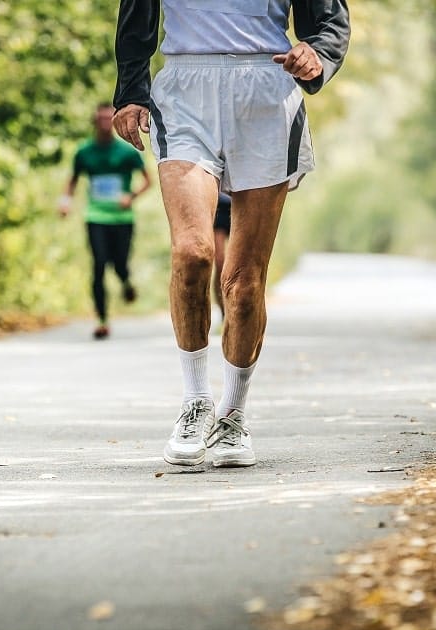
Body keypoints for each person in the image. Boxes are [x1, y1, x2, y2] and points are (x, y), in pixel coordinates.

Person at [113, 1, 350, 467]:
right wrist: (130, 92)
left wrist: (317, 52)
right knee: (193, 253)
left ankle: (233, 416)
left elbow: (329, 21)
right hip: (186, 88)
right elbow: (136, 15)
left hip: (267, 90)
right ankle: (196, 401)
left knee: (243, 284)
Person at [60, 103, 152, 340]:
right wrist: (65, 202)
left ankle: (126, 282)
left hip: (122, 217)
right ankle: (102, 320)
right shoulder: (84, 152)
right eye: (99, 119)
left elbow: (147, 181)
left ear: (113, 121)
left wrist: (130, 196)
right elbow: (72, 180)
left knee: (119, 263)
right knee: (99, 264)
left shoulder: (127, 153)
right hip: (96, 216)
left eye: (107, 118)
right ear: (94, 121)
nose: (103, 123)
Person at [212, 191, 231, 319]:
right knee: (220, 263)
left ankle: (237, 310)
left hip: (242, 200)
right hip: (219, 207)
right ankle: (224, 311)